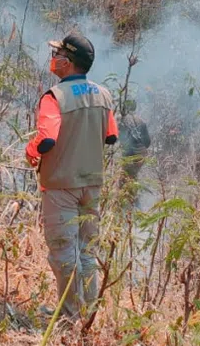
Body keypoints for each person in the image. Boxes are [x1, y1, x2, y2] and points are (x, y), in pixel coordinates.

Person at [25, 31, 118, 319]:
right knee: (87, 252)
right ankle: (87, 312)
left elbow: (47, 140)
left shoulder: (54, 98)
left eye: (58, 56)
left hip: (61, 186)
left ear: (69, 62)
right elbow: (111, 136)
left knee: (64, 252)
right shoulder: (104, 95)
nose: (53, 60)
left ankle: (69, 316)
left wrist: (30, 151)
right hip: (92, 185)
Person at [118, 98, 151, 185]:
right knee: (133, 179)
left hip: (128, 157)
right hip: (141, 156)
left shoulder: (122, 121)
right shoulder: (141, 121)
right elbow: (147, 142)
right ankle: (134, 196)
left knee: (124, 181)